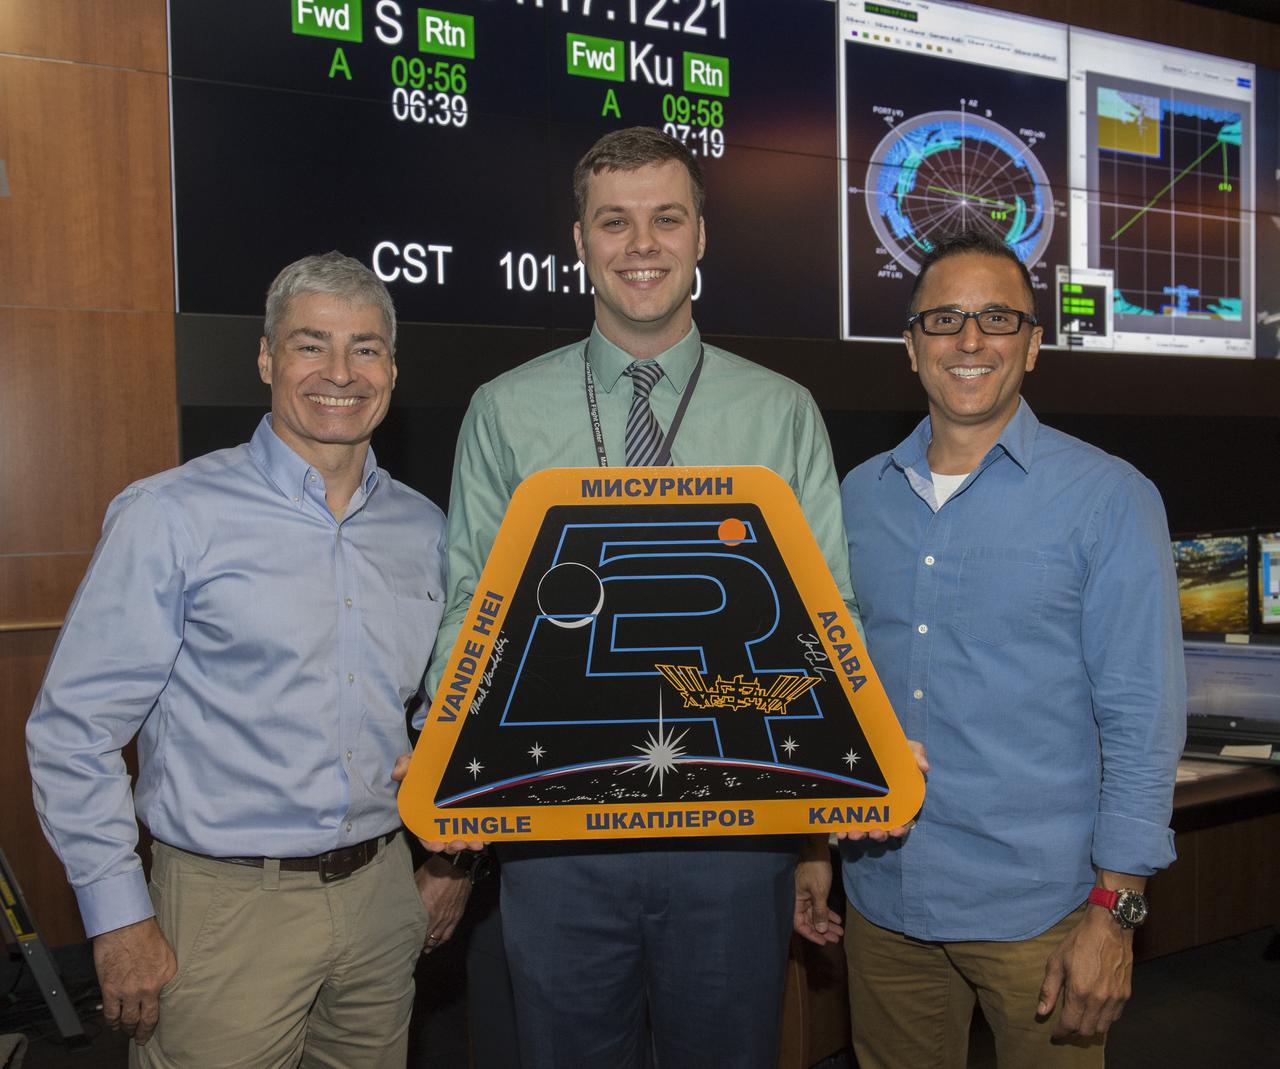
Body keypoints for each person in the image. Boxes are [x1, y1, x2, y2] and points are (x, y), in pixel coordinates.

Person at [424, 127, 858, 1069]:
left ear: (702, 235)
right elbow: (469, 610)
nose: (642, 244)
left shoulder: (780, 411)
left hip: (737, 836)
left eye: (667, 218)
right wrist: (449, 772)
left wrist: (819, 826)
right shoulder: (505, 410)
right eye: (613, 221)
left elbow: (830, 625)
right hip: (557, 836)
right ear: (577, 242)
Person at [26, 252, 470, 1068]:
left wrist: (453, 860)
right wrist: (118, 914)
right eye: (311, 344)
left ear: (393, 369)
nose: (340, 371)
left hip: (382, 897)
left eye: (365, 348)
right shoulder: (171, 515)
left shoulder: (427, 529)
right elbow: (72, 728)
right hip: (224, 911)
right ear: (267, 358)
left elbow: (450, 712)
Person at [809, 231, 1185, 1067]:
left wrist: (1114, 915)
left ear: (1034, 344)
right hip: (883, 899)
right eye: (944, 318)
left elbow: (1142, 719)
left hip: (1045, 918)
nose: (970, 340)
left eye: (997, 318)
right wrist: (815, 851)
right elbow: (835, 688)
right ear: (911, 348)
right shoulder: (855, 496)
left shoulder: (1112, 498)